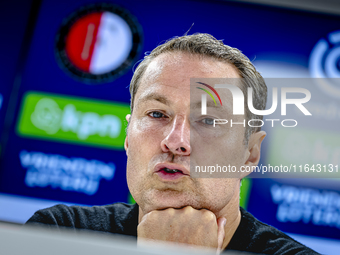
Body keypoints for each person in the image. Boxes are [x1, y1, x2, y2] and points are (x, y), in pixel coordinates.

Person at [26, 33, 318, 254]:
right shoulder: (59, 234)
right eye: (156, 114)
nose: (175, 141)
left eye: (208, 121)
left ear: (250, 155)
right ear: (128, 136)